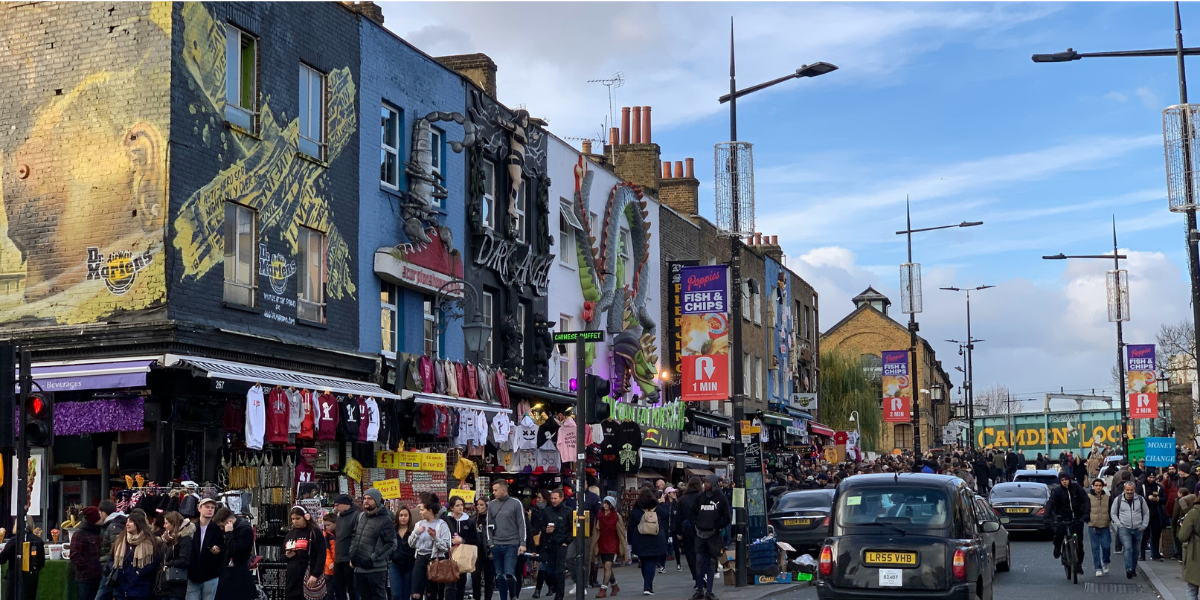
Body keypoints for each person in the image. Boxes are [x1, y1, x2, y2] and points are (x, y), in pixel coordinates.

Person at [351, 489, 397, 600]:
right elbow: (354, 536)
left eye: (370, 498)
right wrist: (352, 554)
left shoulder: (385, 519)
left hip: (376, 570)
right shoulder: (361, 516)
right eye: (365, 498)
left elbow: (392, 544)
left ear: (376, 501)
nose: (366, 501)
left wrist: (374, 557)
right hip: (359, 568)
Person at [690, 476, 731, 600]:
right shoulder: (700, 497)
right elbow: (692, 513)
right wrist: (696, 524)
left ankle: (709, 591)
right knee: (699, 562)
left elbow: (727, 517)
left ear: (713, 483)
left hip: (713, 535)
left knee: (711, 564)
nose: (705, 484)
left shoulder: (721, 499)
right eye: (704, 482)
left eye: (707, 482)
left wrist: (716, 526)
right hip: (700, 534)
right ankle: (699, 589)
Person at [486, 481, 527, 600]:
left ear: (503, 490)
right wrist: (491, 543)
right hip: (496, 544)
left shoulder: (516, 503)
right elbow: (488, 525)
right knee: (500, 575)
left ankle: (513, 596)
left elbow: (522, 524)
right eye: (493, 490)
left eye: (495, 490)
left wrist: (522, 543)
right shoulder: (492, 505)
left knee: (509, 573)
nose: (493, 493)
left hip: (512, 544)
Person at [408, 496, 451, 600]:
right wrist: (416, 532)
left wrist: (435, 537)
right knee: (415, 593)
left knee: (431, 593)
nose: (420, 512)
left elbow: (446, 546)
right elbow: (411, 544)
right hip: (420, 559)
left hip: (434, 560)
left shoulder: (441, 525)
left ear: (430, 510)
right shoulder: (419, 524)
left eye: (422, 510)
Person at [112, 509, 161, 600]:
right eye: (127, 521)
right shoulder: (121, 540)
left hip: (140, 589)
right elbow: (112, 558)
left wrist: (139, 572)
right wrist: (114, 569)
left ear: (138, 524)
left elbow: (154, 561)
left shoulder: (150, 542)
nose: (127, 524)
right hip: (121, 589)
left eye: (130, 522)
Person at [1111, 481, 1151, 579]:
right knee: (1127, 548)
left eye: (1131, 490)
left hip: (1138, 528)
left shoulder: (1140, 499)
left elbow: (1146, 513)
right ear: (1124, 490)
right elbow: (1113, 513)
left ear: (1134, 490)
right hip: (1124, 528)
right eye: (1127, 490)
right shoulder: (1118, 500)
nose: (1129, 492)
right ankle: (1128, 568)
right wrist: (1119, 525)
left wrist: (1143, 525)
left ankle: (1133, 568)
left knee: (1136, 550)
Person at [214, 507, 256, 600]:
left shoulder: (245, 530)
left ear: (229, 522)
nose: (222, 529)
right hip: (227, 575)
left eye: (222, 526)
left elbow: (237, 550)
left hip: (238, 577)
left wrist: (229, 534)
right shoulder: (231, 530)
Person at [285, 506, 327, 600]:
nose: (295, 521)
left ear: (306, 517)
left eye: (298, 518)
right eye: (293, 519)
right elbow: (282, 555)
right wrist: (286, 555)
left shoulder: (314, 532)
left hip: (308, 574)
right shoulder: (291, 533)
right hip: (293, 576)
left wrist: (315, 574)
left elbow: (321, 554)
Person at [589, 496, 626, 598]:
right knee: (606, 566)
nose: (605, 505)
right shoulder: (599, 516)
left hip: (613, 543)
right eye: (604, 503)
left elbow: (621, 531)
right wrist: (595, 545)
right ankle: (614, 585)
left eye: (608, 503)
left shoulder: (616, 516)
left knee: (607, 566)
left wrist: (622, 546)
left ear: (611, 505)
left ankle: (603, 589)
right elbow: (596, 531)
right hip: (602, 543)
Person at [186, 498, 223, 600]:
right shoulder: (191, 527)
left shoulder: (217, 529)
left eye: (212, 508)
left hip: (210, 573)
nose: (210, 509)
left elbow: (223, 548)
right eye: (207, 507)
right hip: (193, 574)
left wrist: (218, 550)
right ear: (199, 508)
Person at [441, 496, 476, 600]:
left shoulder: (469, 521)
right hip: (449, 555)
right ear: (452, 507)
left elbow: (475, 539)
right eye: (457, 505)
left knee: (461, 583)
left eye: (461, 505)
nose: (460, 507)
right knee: (450, 583)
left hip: (463, 555)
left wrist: (463, 540)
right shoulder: (445, 520)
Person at [541, 490, 573, 600]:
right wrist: (546, 530)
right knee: (550, 571)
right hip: (550, 543)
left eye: (555, 498)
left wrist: (567, 541)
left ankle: (559, 595)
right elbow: (542, 525)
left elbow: (572, 528)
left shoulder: (568, 511)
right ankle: (554, 587)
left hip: (561, 543)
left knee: (559, 570)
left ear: (561, 498)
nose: (553, 500)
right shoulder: (547, 511)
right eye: (552, 498)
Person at [157, 511, 194, 600]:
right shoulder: (167, 539)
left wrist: (168, 564)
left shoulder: (185, 539)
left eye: (166, 523)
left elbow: (185, 560)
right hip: (165, 584)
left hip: (176, 583)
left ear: (174, 523)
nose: (164, 526)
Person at [673, 478, 702, 594]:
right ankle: (702, 575)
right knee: (701, 553)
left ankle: (696, 578)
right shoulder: (702, 497)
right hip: (701, 529)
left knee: (690, 554)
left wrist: (679, 532)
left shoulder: (682, 499)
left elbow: (678, 517)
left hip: (687, 529)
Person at [97, 500, 129, 600]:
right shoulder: (113, 524)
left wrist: (108, 566)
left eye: (99, 512)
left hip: (111, 569)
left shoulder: (113, 526)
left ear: (103, 512)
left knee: (101, 596)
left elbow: (117, 548)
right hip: (111, 567)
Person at [71, 506, 104, 600]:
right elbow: (75, 556)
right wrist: (91, 567)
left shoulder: (100, 532)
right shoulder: (79, 534)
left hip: (99, 577)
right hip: (85, 579)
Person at [333, 494, 360, 600]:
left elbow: (356, 537)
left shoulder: (356, 516)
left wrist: (353, 557)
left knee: (352, 589)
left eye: (337, 505)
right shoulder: (339, 517)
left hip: (349, 559)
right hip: (339, 559)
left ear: (346, 504)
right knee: (338, 589)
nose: (335, 508)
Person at [1176, 488, 1200, 599]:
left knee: (1192, 589)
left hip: (1195, 554)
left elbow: (1183, 536)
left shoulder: (1193, 513)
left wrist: (1183, 526)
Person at [1087, 479, 1112, 577]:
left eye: (1100, 485)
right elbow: (1084, 509)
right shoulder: (1088, 497)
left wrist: (1110, 519)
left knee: (1106, 547)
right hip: (1092, 525)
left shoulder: (1108, 497)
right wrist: (1087, 519)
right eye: (1096, 485)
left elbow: (1111, 510)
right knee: (1095, 548)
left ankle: (1105, 562)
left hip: (1105, 526)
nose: (1098, 487)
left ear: (1102, 486)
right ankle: (1098, 568)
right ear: (1093, 486)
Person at [471, 499, 495, 600]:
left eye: (482, 505)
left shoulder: (491, 518)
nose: (479, 507)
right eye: (478, 505)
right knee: (475, 576)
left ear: (487, 506)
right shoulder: (473, 519)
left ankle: (488, 597)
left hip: (489, 549)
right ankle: (477, 597)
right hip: (476, 549)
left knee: (489, 577)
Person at [1140, 472, 1167, 561]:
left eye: (1153, 477)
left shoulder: (1159, 487)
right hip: (1144, 514)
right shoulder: (1142, 486)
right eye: (1150, 477)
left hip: (1156, 513)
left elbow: (1164, 499)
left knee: (1156, 534)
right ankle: (1141, 555)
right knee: (1144, 535)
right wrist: (1147, 498)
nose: (1151, 479)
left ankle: (1155, 554)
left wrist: (1158, 499)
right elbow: (1138, 497)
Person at [391, 506, 416, 600]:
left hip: (410, 565)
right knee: (396, 594)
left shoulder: (413, 531)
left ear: (409, 517)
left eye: (405, 515)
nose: (403, 518)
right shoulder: (392, 530)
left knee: (406, 594)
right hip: (395, 565)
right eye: (401, 515)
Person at [323, 514, 337, 594]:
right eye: (325, 525)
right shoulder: (326, 536)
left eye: (329, 525)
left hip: (337, 565)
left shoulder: (338, 534)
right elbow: (326, 552)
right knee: (330, 592)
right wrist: (330, 563)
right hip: (329, 569)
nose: (327, 527)